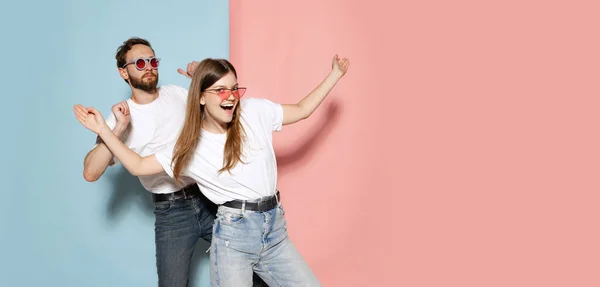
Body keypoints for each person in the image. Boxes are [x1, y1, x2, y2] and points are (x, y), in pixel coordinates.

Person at [74, 54, 350, 286]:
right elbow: (136, 165)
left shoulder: (255, 112)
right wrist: (104, 130)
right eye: (220, 90)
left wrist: (335, 74)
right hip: (235, 239)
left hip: (274, 231)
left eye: (234, 88)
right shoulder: (191, 148)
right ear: (202, 98)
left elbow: (302, 109)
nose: (230, 97)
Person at [82, 37, 266, 287]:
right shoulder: (118, 117)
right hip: (171, 213)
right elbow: (91, 172)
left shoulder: (177, 94)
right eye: (139, 62)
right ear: (123, 72)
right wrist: (117, 129)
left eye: (152, 60)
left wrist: (203, 81)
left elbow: (220, 119)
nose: (148, 66)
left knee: (254, 272)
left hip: (208, 197)